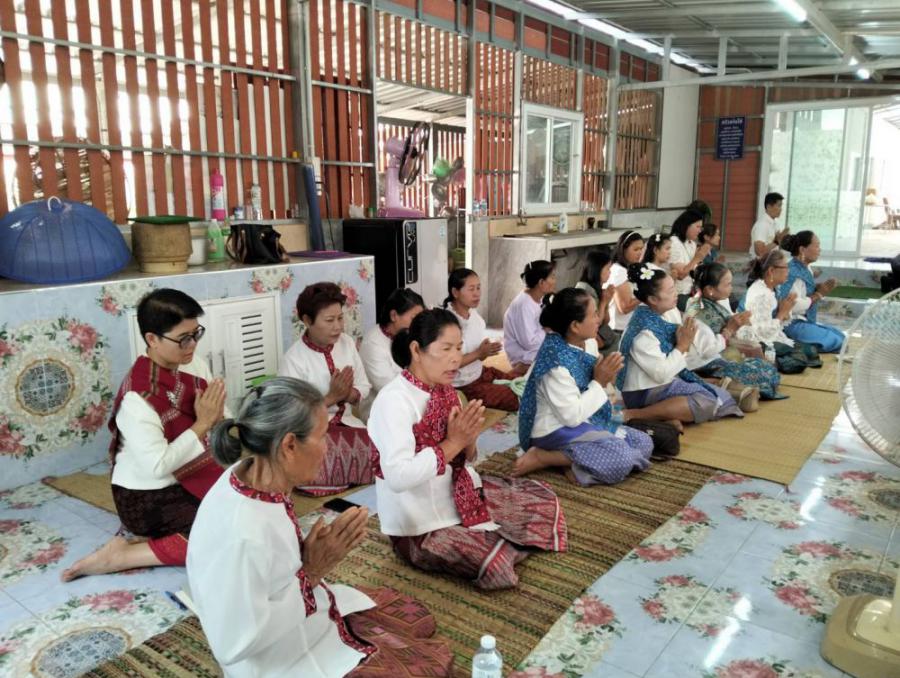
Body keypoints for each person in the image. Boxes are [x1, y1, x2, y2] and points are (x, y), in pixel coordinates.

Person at [187, 378, 453, 677]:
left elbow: (271, 564)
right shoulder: (243, 533)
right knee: (430, 667)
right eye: (323, 436)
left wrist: (305, 556)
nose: (328, 448)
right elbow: (232, 642)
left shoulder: (248, 473)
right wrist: (312, 571)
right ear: (289, 445)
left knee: (414, 617)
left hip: (301, 612)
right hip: (275, 659)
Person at [367, 309, 567, 590]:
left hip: (455, 495)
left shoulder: (446, 391)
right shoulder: (393, 401)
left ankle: (496, 537)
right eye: (446, 348)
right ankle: (493, 543)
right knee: (496, 568)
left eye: (459, 348)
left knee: (541, 504)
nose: (456, 358)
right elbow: (398, 477)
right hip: (418, 524)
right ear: (416, 350)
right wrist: (453, 443)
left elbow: (467, 459)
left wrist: (468, 440)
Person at [62, 289, 227, 581]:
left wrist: (222, 422)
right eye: (183, 338)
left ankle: (151, 544)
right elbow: (158, 465)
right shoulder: (137, 397)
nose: (192, 345)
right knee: (228, 533)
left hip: (190, 473)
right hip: (148, 496)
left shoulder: (193, 364)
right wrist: (203, 423)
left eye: (196, 334)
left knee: (254, 501)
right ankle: (121, 556)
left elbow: (219, 415)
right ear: (152, 339)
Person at [513, 288, 653, 485]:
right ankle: (544, 457)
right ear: (575, 326)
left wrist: (606, 381)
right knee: (621, 459)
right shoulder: (555, 363)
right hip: (554, 429)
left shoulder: (589, 343)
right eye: (593, 314)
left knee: (643, 443)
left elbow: (593, 391)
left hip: (584, 419)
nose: (598, 320)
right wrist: (600, 382)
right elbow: (571, 416)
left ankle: (573, 463)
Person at [278, 282, 374, 495]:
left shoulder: (347, 343)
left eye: (340, 318)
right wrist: (331, 397)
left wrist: (349, 394)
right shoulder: (294, 359)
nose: (338, 327)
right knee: (318, 459)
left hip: (350, 425)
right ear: (307, 320)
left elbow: (364, 385)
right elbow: (291, 415)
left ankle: (348, 476)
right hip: (313, 433)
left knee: (384, 450)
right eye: (329, 320)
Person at [617, 264, 743, 426]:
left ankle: (665, 417)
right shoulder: (643, 332)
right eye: (670, 291)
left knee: (721, 397)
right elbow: (662, 373)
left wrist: (684, 344)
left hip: (665, 379)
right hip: (643, 391)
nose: (676, 293)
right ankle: (636, 414)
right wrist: (683, 345)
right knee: (708, 401)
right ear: (653, 299)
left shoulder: (665, 312)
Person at [685, 263, 784, 402]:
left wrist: (739, 323)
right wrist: (730, 329)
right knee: (762, 374)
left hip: (719, 356)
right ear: (710, 289)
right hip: (703, 365)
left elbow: (728, 324)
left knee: (766, 367)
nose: (731, 288)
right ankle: (716, 384)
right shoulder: (696, 311)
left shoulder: (717, 300)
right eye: (727, 284)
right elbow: (708, 350)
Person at [444, 268, 520, 411]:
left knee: (520, 382)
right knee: (515, 397)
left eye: (478, 288)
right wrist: (479, 353)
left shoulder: (474, 316)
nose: (477, 293)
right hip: (463, 385)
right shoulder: (447, 323)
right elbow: (447, 363)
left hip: (480, 372)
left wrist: (485, 351)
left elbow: (479, 354)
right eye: (471, 289)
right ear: (455, 292)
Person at [736, 250, 821, 373]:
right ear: (771, 271)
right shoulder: (761, 294)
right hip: (756, 340)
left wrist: (786, 310)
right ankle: (765, 361)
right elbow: (763, 332)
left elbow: (778, 318)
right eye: (785, 268)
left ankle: (772, 359)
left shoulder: (773, 288)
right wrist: (781, 314)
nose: (788, 271)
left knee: (811, 352)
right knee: (799, 361)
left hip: (770, 335)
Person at [776, 231, 845, 353]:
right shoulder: (792, 271)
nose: (820, 250)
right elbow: (792, 305)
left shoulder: (805, 267)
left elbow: (803, 291)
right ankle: (792, 343)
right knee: (835, 341)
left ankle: (803, 342)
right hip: (789, 323)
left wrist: (818, 288)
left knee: (841, 336)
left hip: (802, 320)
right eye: (817, 246)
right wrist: (818, 295)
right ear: (802, 249)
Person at [359, 288, 425, 393]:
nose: (418, 325)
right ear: (394, 315)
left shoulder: (410, 336)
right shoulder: (372, 344)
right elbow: (389, 388)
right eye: (413, 319)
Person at [503, 259, 556, 369]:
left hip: (534, 349)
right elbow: (529, 343)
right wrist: (547, 330)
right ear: (541, 282)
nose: (555, 281)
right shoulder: (524, 305)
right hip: (524, 356)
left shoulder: (536, 299)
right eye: (552, 277)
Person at [575, 248, 619, 355]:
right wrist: (604, 301)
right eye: (607, 269)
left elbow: (606, 321)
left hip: (605, 335)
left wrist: (607, 301)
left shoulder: (597, 289)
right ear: (597, 269)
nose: (610, 272)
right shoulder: (584, 291)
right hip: (593, 339)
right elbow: (596, 322)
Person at [668, 209, 712, 309]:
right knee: (698, 309)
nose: (700, 231)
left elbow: (694, 269)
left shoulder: (691, 243)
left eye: (701, 227)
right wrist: (698, 257)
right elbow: (680, 275)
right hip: (677, 293)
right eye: (697, 227)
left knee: (716, 301)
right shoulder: (673, 242)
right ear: (686, 225)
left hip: (692, 291)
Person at [607, 230, 646, 334]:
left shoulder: (631, 269)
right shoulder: (619, 271)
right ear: (623, 249)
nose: (640, 253)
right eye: (636, 249)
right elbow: (624, 307)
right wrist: (647, 293)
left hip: (629, 327)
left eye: (641, 249)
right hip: (620, 330)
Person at [749, 192, 789, 258]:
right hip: (761, 263)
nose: (781, 209)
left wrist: (784, 238)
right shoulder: (762, 225)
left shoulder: (775, 222)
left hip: (772, 260)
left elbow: (778, 243)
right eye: (779, 205)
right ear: (769, 207)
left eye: (781, 206)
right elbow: (759, 252)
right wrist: (777, 241)